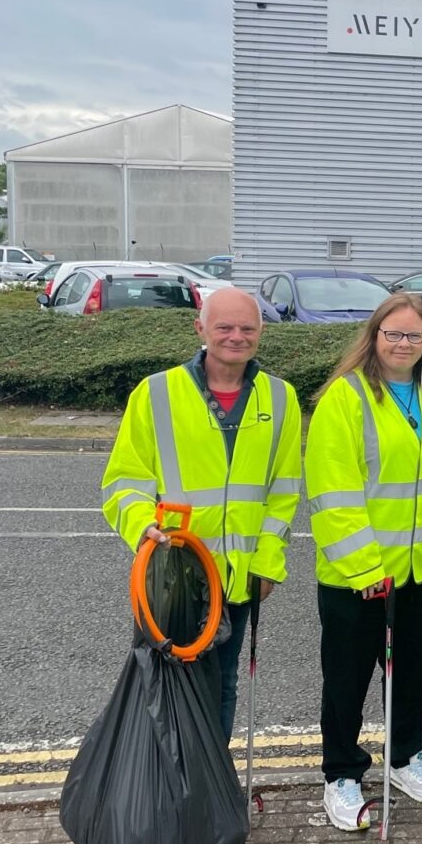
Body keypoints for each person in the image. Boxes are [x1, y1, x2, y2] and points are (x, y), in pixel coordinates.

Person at [306, 294, 422, 830]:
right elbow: (334, 489)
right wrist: (363, 569)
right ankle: (342, 774)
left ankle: (406, 757)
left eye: (415, 336)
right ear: (374, 336)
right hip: (357, 576)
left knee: (410, 675)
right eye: (394, 334)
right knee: (347, 680)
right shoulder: (346, 397)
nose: (404, 344)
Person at [100, 287, 303, 740]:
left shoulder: (281, 398)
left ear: (261, 332)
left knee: (222, 686)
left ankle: (210, 788)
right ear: (200, 329)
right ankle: (168, 790)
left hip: (238, 577)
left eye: (247, 328)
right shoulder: (155, 393)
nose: (236, 336)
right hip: (174, 575)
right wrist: (142, 527)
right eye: (224, 327)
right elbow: (124, 482)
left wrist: (268, 564)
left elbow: (283, 493)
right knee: (167, 686)